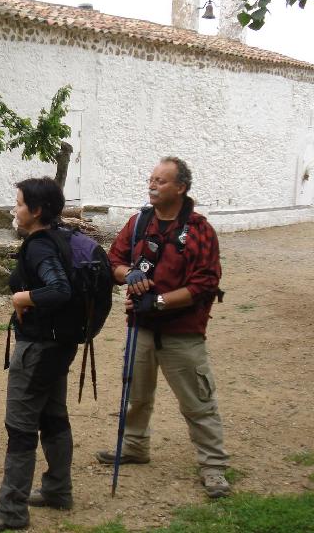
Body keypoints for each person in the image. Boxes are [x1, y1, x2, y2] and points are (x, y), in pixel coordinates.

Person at [96, 156, 230, 499]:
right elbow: (113, 260)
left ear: (181, 188)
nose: (152, 185)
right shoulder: (139, 222)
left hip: (182, 333)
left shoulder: (199, 230)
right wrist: (131, 275)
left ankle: (213, 466)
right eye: (151, 179)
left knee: (198, 402)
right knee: (136, 396)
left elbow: (205, 283)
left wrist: (157, 302)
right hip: (140, 328)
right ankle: (135, 447)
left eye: (161, 180)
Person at [0, 177, 78, 533]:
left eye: (18, 204)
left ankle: (11, 511)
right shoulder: (58, 239)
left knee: (20, 428)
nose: (14, 210)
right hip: (57, 346)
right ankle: (58, 489)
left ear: (36, 211)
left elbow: (59, 288)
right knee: (52, 417)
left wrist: (22, 298)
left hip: (37, 350)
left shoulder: (38, 248)